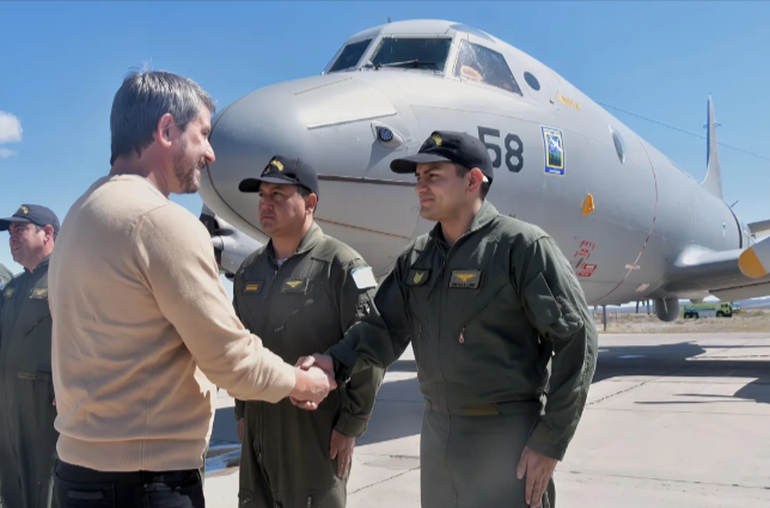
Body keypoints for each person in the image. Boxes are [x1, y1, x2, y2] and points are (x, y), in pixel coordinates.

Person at [47, 70, 336, 508]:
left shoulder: (78, 217)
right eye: (202, 134)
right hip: (144, 483)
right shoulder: (159, 222)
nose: (210, 153)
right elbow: (230, 359)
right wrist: (303, 382)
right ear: (166, 130)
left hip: (76, 477)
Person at [298, 131, 599, 508]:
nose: (420, 187)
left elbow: (577, 339)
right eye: (418, 177)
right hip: (439, 435)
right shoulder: (417, 258)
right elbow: (381, 327)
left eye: (433, 176)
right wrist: (333, 362)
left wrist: (550, 440)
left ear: (473, 180)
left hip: (506, 438)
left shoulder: (520, 247)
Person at [232, 155, 385, 508]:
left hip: (314, 434)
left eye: (278, 194)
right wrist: (242, 412)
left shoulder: (341, 266)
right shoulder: (249, 271)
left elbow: (371, 347)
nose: (266, 203)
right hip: (257, 434)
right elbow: (239, 345)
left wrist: (351, 423)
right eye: (262, 195)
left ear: (310, 203)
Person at [0, 204, 60, 508]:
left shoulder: (69, 277)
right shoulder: (12, 288)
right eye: (9, 233)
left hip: (47, 410)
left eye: (20, 229)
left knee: (48, 492)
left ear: (47, 233)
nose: (12, 238)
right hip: (10, 409)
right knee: (13, 491)